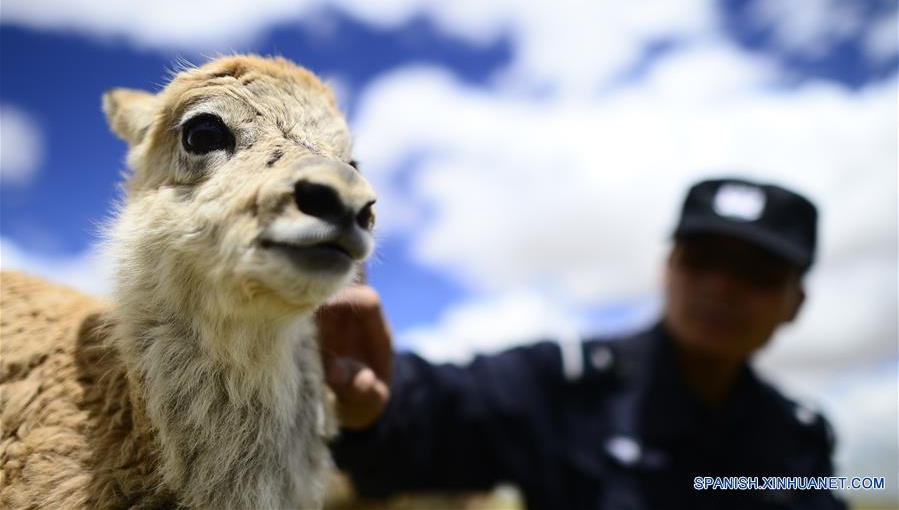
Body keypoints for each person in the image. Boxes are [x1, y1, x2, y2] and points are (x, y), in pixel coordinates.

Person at [317, 177, 848, 510]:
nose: (722, 286)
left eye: (757, 272)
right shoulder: (564, 385)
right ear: (669, 269)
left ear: (795, 303)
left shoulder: (796, 435)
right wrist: (371, 400)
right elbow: (441, 408)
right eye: (703, 259)